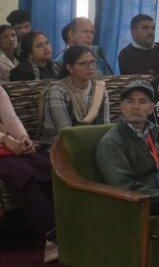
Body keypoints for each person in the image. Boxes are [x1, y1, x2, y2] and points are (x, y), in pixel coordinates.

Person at [96, 80, 159, 267]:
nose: (136, 106)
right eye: (130, 101)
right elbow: (122, 184)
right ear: (121, 107)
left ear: (151, 108)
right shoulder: (112, 141)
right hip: (138, 198)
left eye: (142, 101)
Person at [0, 87, 57, 262]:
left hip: (8, 146)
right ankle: (53, 237)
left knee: (47, 166)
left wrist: (24, 138)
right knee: (22, 173)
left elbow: (11, 119)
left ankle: (70, 229)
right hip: (4, 145)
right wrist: (5, 140)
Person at [38, 45, 110, 146]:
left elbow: (105, 127)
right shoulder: (57, 91)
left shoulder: (99, 89)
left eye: (92, 62)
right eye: (84, 63)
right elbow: (65, 132)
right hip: (58, 143)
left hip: (92, 141)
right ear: (70, 68)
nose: (91, 67)